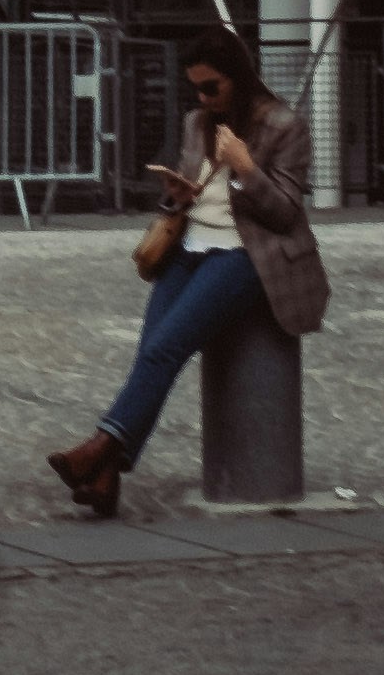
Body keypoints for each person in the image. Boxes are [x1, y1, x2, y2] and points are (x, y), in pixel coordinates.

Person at [46, 26, 326, 508]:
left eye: (212, 86)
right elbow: (193, 190)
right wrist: (176, 196)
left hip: (246, 254)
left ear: (238, 77)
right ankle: (105, 477)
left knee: (164, 351)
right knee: (151, 350)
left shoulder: (283, 124)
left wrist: (245, 168)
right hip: (189, 245)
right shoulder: (197, 122)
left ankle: (100, 446)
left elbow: (283, 213)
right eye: (195, 86)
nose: (203, 96)